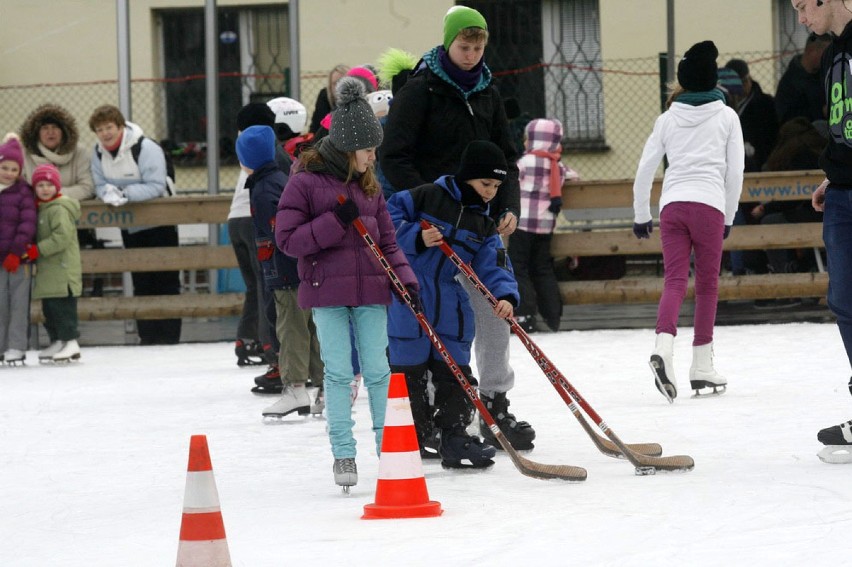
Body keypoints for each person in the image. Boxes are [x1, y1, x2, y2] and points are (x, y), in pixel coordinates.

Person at [379, 5, 535, 451]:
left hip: (482, 222)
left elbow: (505, 156)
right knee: (437, 313)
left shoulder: (487, 90)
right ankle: (431, 414)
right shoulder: (421, 89)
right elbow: (394, 156)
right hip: (435, 226)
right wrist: (431, 203)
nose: (471, 54)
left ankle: (495, 403)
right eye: (464, 47)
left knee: (492, 309)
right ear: (448, 44)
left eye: (479, 47)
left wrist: (507, 203)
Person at [275, 76, 418, 489]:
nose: (374, 158)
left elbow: (388, 241)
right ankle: (343, 453)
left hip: (372, 291)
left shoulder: (370, 187)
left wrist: (406, 281)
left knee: (379, 372)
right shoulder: (304, 181)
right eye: (369, 150)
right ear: (348, 147)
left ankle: (386, 451)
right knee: (338, 374)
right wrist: (333, 222)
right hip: (327, 292)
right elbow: (288, 240)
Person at [387, 140, 519, 469]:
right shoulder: (425, 196)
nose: (491, 192)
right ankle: (415, 435)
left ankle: (455, 436)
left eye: (497, 186)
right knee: (409, 371)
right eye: (485, 183)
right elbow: (385, 222)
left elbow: (495, 263)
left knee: (455, 373)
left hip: (449, 298)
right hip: (409, 295)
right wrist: (415, 235)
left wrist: (504, 296)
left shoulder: (483, 224)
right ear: (467, 177)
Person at [632, 40, 744, 402]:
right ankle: (701, 366)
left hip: (673, 206)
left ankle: (663, 349)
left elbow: (646, 167)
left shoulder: (666, 119)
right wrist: (728, 214)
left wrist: (640, 214)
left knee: (675, 280)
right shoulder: (727, 117)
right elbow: (736, 172)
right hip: (709, 205)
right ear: (713, 81)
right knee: (708, 285)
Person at [790, 0, 852, 462]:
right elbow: (842, 129)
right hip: (844, 195)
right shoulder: (833, 55)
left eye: (803, 6)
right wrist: (833, 177)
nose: (801, 19)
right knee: (845, 303)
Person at [235, 125, 324, 418]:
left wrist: (277, 267)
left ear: (246, 159)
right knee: (309, 328)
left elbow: (279, 233)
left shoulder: (263, 189)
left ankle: (296, 388)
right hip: (297, 269)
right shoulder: (278, 179)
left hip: (286, 272)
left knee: (291, 329)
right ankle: (328, 386)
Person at [88, 104, 182, 345]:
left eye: (109, 127)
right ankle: (148, 336)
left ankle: (170, 337)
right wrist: (108, 192)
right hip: (130, 226)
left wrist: (123, 193)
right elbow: (99, 185)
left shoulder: (146, 148)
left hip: (162, 224)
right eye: (100, 129)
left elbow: (156, 185)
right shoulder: (98, 154)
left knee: (166, 281)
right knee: (141, 280)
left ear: (120, 126)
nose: (105, 133)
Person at [511, 118, 578, 333]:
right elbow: (574, 176)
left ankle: (525, 314)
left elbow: (510, 180)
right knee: (542, 268)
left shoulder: (524, 163)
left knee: (518, 268)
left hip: (522, 226)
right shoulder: (556, 165)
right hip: (545, 226)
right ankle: (553, 316)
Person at [228, 103, 281, 369]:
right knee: (264, 285)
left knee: (253, 285)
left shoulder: (245, 146)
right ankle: (268, 344)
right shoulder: (265, 147)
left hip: (234, 219)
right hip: (251, 219)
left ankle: (246, 338)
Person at [27, 163, 82, 363]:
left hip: (62, 269)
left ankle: (71, 341)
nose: (45, 189)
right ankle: (58, 340)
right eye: (40, 185)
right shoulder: (43, 208)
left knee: (62, 308)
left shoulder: (59, 208)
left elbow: (62, 237)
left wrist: (38, 249)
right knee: (50, 308)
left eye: (49, 185)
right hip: (50, 271)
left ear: (57, 187)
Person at [0, 135, 37, 365]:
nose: (9, 173)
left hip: (18, 259)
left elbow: (27, 224)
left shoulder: (23, 192)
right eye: (4, 167)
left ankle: (16, 346)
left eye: (14, 169)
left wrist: (16, 251)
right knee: (0, 303)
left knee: (18, 303)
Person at [775, 32, 831, 126]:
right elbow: (787, 118)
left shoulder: (825, 75)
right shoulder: (790, 84)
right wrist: (821, 112)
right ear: (812, 51)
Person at [308, 64, 349, 134]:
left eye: (342, 82)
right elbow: (316, 128)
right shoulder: (324, 97)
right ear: (330, 86)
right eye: (335, 83)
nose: (338, 87)